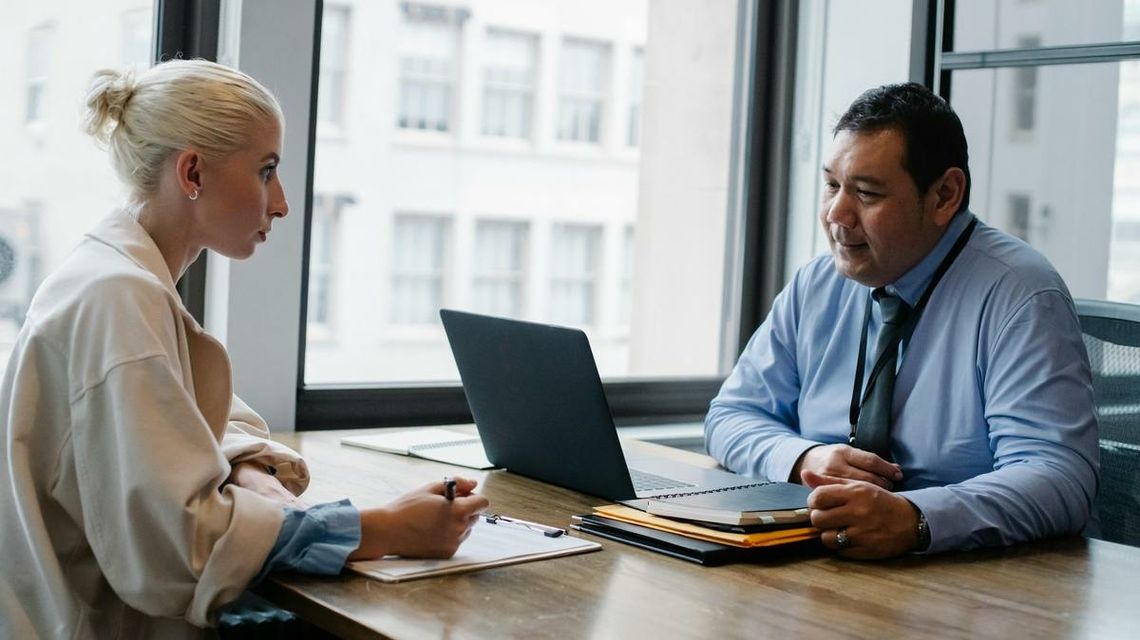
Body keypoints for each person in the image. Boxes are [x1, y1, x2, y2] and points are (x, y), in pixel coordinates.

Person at [0, 59, 489, 638]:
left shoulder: (113, 274)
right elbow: (183, 547)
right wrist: (383, 528)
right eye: (266, 171)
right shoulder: (119, 298)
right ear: (192, 172)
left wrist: (250, 468)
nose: (280, 203)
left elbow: (174, 422)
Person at [705, 82, 1099, 560]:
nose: (836, 215)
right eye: (831, 185)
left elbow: (1058, 477)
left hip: (965, 586)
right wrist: (804, 458)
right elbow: (730, 416)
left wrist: (916, 518)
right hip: (820, 563)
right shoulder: (818, 283)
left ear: (944, 196)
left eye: (867, 194)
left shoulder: (1020, 293)